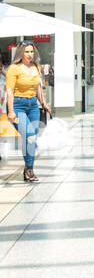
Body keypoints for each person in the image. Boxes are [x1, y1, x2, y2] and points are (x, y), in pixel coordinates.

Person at [5, 42, 50, 183]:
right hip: (17, 106)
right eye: (27, 52)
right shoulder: (14, 68)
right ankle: (29, 169)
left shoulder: (36, 67)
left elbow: (38, 88)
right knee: (30, 136)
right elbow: (9, 91)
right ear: (20, 53)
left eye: (32, 52)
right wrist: (11, 111)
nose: (30, 54)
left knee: (31, 138)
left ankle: (27, 169)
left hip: (33, 106)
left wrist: (43, 103)